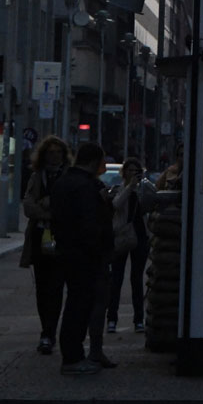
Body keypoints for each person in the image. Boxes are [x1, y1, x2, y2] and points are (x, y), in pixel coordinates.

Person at [49, 142, 114, 375]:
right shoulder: (86, 187)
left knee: (74, 303)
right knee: (80, 305)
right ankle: (73, 358)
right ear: (95, 162)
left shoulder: (63, 182)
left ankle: (73, 354)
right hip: (85, 255)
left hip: (67, 251)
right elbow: (91, 224)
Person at [19, 134, 70, 355]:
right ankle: (45, 331)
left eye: (58, 152)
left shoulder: (67, 177)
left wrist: (50, 206)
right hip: (40, 236)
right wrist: (46, 211)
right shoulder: (36, 177)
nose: (54, 156)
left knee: (56, 286)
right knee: (42, 287)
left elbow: (66, 206)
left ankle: (50, 331)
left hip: (61, 236)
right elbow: (29, 206)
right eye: (50, 152)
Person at [107, 158, 150, 334]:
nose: (133, 175)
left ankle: (138, 319)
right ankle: (112, 319)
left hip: (140, 238)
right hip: (123, 237)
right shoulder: (120, 189)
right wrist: (129, 187)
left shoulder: (144, 189)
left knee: (136, 279)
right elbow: (116, 204)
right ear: (124, 173)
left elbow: (151, 205)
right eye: (130, 171)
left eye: (136, 172)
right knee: (116, 279)